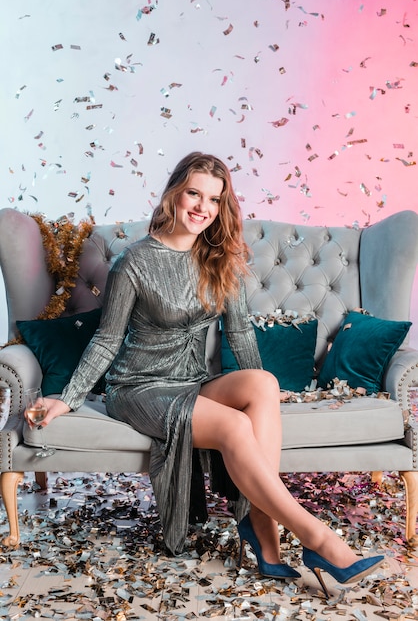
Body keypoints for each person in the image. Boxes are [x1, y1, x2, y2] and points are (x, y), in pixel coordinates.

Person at [26, 152, 384, 596]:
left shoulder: (220, 260)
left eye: (214, 199)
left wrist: (265, 399)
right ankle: (316, 539)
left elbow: (239, 335)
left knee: (264, 383)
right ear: (175, 193)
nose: (202, 207)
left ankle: (260, 525)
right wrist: (67, 396)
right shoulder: (132, 263)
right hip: (140, 387)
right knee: (234, 425)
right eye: (194, 193)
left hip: (191, 380)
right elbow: (105, 340)